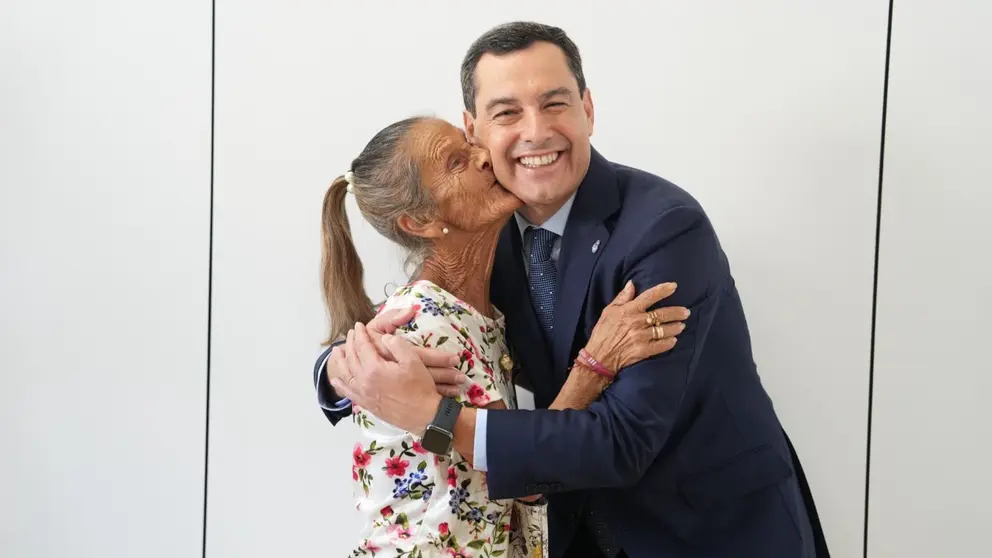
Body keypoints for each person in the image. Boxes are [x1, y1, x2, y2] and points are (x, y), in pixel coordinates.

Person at [319, 21, 829, 558]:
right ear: (474, 130)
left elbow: (622, 441)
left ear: (588, 108)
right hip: (568, 534)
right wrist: (337, 372)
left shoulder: (664, 229)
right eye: (507, 112)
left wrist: (433, 416)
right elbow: (411, 330)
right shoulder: (487, 234)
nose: (536, 131)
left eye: (555, 103)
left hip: (705, 532)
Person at [319, 116, 690, 557]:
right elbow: (524, 475)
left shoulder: (482, 307)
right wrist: (596, 362)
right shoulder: (426, 327)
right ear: (419, 221)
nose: (483, 157)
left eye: (470, 145)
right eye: (456, 162)